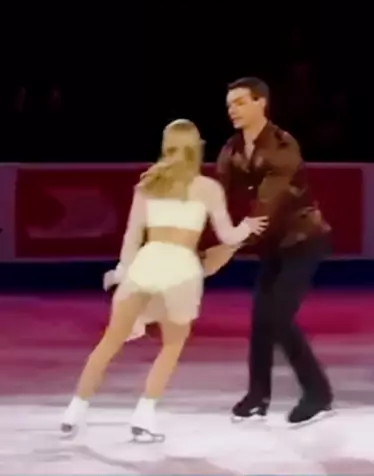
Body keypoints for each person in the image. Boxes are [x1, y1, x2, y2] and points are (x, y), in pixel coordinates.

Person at [61, 119, 267, 441]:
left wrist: (122, 273)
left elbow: (132, 236)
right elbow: (227, 236)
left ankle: (74, 413)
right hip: (181, 270)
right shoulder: (207, 188)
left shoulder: (148, 184)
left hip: (146, 263)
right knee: (171, 346)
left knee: (110, 342)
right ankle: (143, 418)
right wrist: (247, 228)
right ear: (197, 148)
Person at [204, 78, 333, 426]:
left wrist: (228, 247)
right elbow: (216, 199)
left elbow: (266, 207)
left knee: (278, 317)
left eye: (240, 102)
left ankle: (318, 394)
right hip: (272, 245)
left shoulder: (282, 146)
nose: (232, 110)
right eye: (229, 104)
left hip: (303, 239)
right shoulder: (231, 149)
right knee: (261, 319)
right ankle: (257, 397)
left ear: (261, 102)